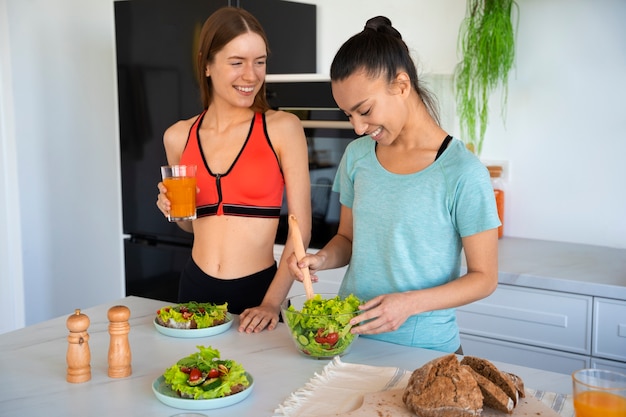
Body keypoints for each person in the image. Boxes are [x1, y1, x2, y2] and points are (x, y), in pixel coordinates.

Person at [287, 16, 500, 353]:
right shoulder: (358, 156)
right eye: (348, 115)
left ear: (401, 86)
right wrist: (322, 259)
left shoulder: (462, 171)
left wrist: (408, 304)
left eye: (365, 110)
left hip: (425, 351)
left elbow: (484, 278)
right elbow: (347, 238)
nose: (357, 127)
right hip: (348, 340)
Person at [156, 7, 311, 333]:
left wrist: (272, 302)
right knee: (194, 382)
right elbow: (190, 226)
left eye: (260, 61)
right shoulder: (178, 136)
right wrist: (174, 211)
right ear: (207, 64)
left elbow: (301, 231)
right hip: (194, 289)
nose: (251, 75)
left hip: (258, 295)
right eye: (237, 62)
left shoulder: (283, 128)